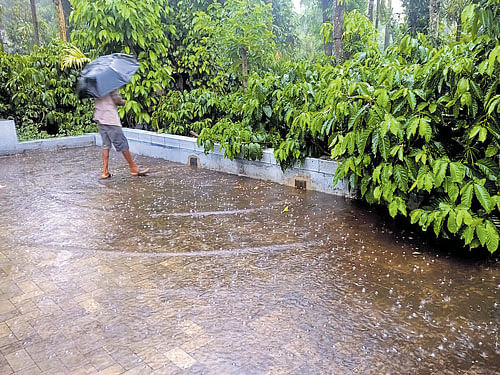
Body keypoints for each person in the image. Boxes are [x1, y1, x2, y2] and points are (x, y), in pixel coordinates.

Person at [93, 90, 149, 179]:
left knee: (106, 145)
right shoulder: (109, 85)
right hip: (110, 119)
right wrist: (125, 102)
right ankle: (133, 168)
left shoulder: (94, 87)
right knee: (122, 144)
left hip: (100, 118)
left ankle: (105, 171)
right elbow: (117, 100)